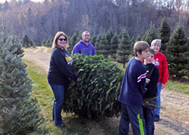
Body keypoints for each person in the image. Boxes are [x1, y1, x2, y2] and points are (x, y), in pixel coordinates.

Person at [47, 31, 79, 127]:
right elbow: (63, 68)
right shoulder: (56, 52)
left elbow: (70, 63)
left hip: (63, 79)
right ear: (56, 40)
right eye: (61, 39)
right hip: (56, 79)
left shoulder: (65, 51)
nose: (63, 41)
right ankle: (58, 122)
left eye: (64, 39)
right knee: (59, 100)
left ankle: (54, 117)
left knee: (58, 99)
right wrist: (74, 77)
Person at [118, 41, 150, 135]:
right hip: (134, 100)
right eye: (146, 51)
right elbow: (141, 87)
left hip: (124, 97)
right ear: (138, 53)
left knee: (124, 120)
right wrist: (144, 94)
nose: (148, 53)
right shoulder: (141, 67)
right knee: (139, 122)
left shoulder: (132, 60)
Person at [151, 39, 169, 122]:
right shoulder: (148, 54)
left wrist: (163, 82)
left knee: (157, 97)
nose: (156, 47)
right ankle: (148, 111)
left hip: (158, 81)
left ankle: (156, 113)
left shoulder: (162, 56)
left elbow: (165, 69)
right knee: (148, 96)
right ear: (151, 46)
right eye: (154, 45)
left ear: (159, 47)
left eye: (158, 46)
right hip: (149, 81)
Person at [143, 48, 159, 135]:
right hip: (141, 98)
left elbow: (152, 86)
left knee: (149, 120)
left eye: (152, 57)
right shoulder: (141, 67)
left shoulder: (154, 69)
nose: (149, 58)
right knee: (142, 119)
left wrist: (148, 99)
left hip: (150, 99)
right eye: (148, 56)